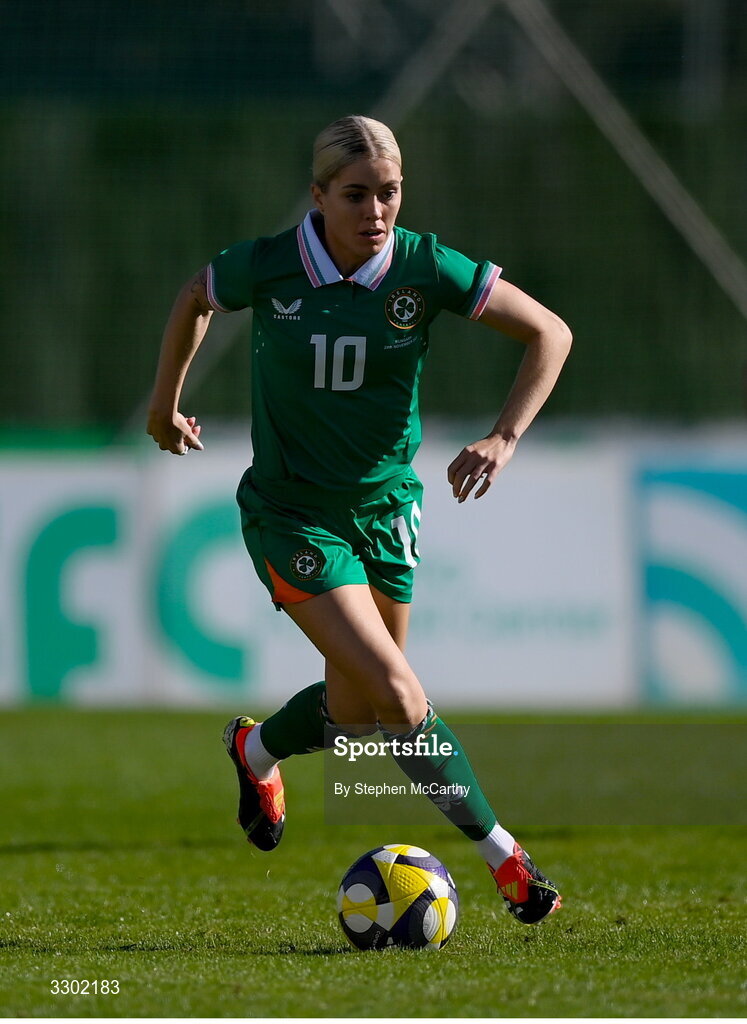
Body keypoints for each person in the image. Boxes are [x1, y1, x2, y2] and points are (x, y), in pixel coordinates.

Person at [147, 115, 572, 925]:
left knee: (359, 718)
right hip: (292, 514)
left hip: (386, 512)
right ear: (317, 197)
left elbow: (549, 332)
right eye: (355, 195)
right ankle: (508, 862)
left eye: (389, 192)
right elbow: (196, 294)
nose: (375, 210)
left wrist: (504, 435)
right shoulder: (273, 266)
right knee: (401, 698)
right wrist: (165, 408)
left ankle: (257, 749)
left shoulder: (422, 266)